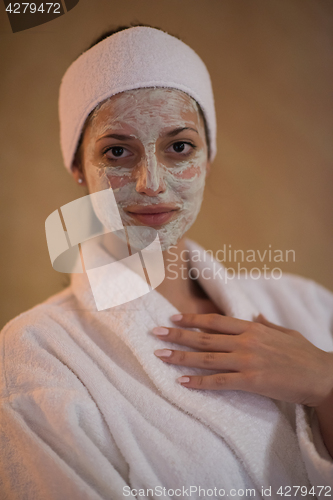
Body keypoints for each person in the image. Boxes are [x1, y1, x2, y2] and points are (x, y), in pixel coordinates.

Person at [0, 24, 332, 500]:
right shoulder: (37, 355)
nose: (151, 182)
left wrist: (326, 384)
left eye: (179, 147)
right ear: (78, 169)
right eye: (117, 151)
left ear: (209, 155)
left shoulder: (308, 305)